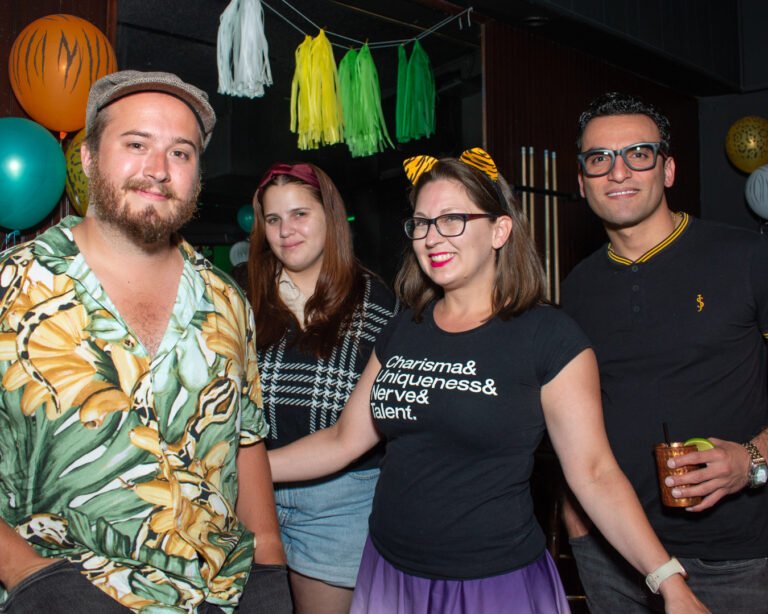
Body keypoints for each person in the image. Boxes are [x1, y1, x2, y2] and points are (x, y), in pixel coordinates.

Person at [267, 147, 708, 613]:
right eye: (421, 223)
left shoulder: (548, 337)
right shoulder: (403, 329)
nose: (432, 237)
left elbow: (595, 474)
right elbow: (342, 440)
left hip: (491, 583)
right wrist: (239, 466)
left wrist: (667, 579)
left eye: (453, 219)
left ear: (500, 230)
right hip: (390, 571)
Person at [0, 70, 291, 613]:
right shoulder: (10, 288)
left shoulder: (226, 300)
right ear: (87, 158)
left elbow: (246, 437)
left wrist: (270, 565)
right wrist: (28, 575)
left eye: (181, 154)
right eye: (137, 145)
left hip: (216, 597)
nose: (158, 170)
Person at [560, 91, 768, 613]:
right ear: (582, 180)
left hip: (737, 559)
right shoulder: (579, 287)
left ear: (668, 169)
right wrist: (579, 524)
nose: (618, 171)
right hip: (616, 556)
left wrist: (753, 460)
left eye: (639, 153)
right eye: (599, 159)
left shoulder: (744, 257)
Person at [247, 162, 398, 613]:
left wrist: (246, 467)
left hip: (340, 498)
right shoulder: (240, 296)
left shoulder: (377, 301)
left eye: (299, 215)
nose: (285, 230)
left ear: (329, 217)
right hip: (249, 496)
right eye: (273, 220)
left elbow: (362, 430)